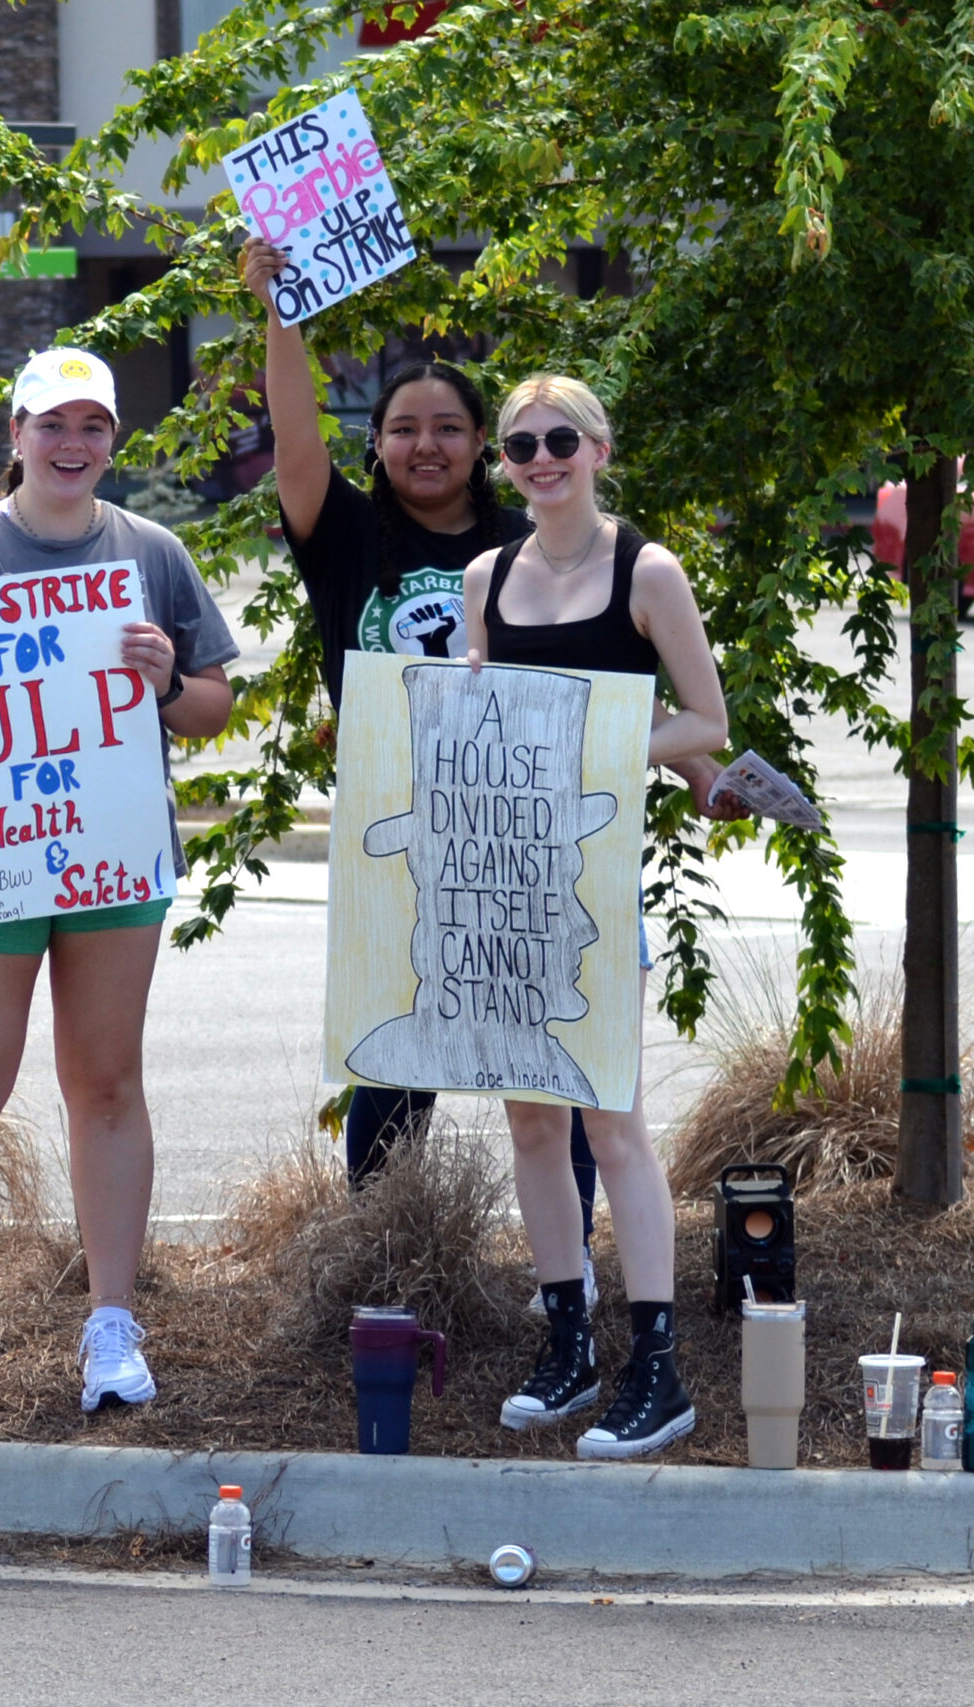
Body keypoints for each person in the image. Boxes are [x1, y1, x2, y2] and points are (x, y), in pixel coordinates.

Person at [0, 349, 239, 1431]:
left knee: (106, 1081)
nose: (73, 446)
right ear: (15, 433)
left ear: (112, 440)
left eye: (93, 428)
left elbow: (210, 705)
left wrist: (169, 677)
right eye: (52, 425)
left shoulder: (151, 553)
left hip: (109, 845)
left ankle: (112, 1323)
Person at [240, 237, 610, 1219]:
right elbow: (292, 436)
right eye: (404, 428)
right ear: (376, 445)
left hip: (519, 832)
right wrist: (282, 311)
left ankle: (558, 1271)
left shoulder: (527, 547)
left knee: (544, 1052)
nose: (425, 445)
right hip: (393, 827)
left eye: (449, 428)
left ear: (483, 447)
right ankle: (383, 1252)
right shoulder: (344, 533)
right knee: (398, 1054)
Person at [462, 374, 728, 1460]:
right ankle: (567, 1341)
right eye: (521, 443)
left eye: (559, 437)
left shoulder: (646, 570)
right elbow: (474, 714)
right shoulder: (488, 573)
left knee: (610, 1120)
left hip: (597, 878)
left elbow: (704, 719)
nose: (540, 457)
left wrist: (598, 739)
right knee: (532, 1122)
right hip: (508, 876)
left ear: (600, 448)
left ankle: (655, 1367)